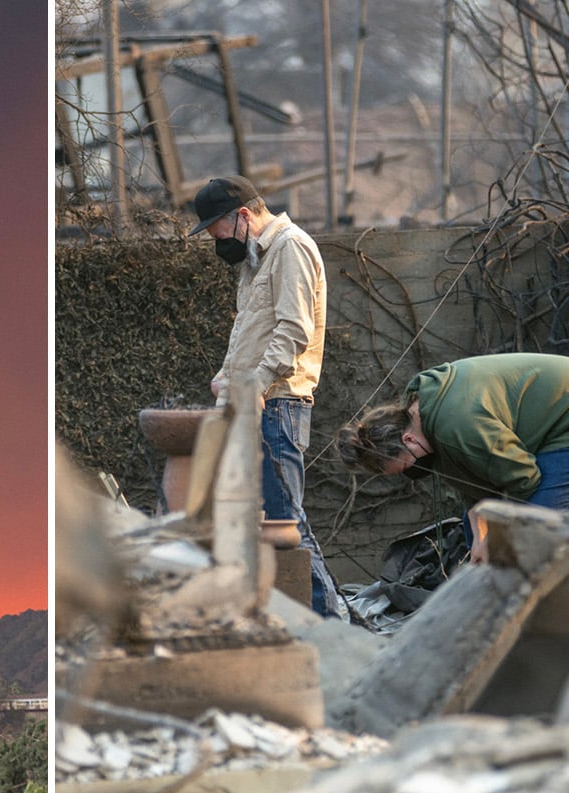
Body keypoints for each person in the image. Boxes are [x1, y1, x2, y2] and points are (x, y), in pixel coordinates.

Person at [188, 175, 346, 619]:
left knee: (287, 523)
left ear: (243, 216)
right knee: (264, 522)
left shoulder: (291, 247)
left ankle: (331, 624)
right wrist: (225, 379)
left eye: (217, 232)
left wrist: (254, 386)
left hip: (278, 404)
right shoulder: (257, 258)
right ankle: (293, 618)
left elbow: (293, 331)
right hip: (255, 404)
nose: (217, 242)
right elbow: (248, 332)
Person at [336, 352, 569, 563]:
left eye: (407, 466)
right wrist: (480, 537)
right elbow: (473, 490)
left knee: (536, 527)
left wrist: (496, 539)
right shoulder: (425, 424)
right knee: (475, 527)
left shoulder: (458, 427)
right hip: (541, 431)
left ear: (408, 440)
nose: (412, 472)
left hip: (562, 420)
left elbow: (524, 480)